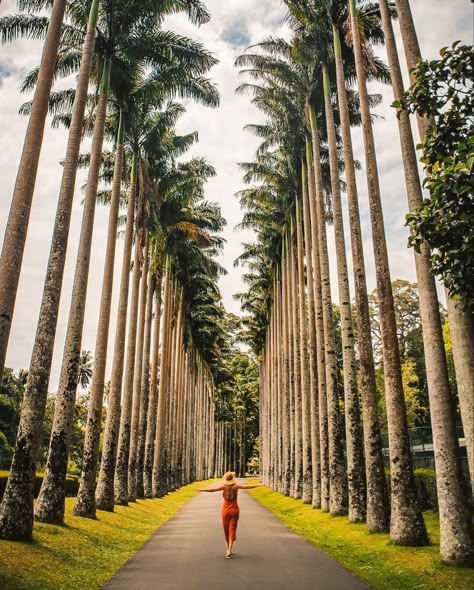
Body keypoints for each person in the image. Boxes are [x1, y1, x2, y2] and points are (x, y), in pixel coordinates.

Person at [199, 472, 262, 558]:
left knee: (226, 530)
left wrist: (202, 490)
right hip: (235, 509)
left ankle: (228, 548)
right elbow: (247, 487)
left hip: (225, 510)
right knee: (232, 529)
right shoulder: (236, 486)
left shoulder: (223, 487)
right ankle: (229, 549)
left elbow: (213, 489)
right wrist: (258, 485)